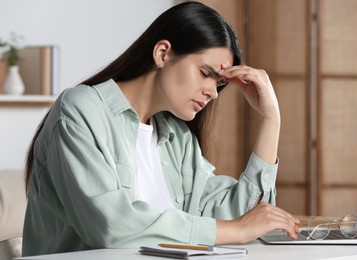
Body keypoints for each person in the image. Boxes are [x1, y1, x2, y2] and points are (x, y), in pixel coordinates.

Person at [22, 1, 300, 256]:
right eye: (206, 74)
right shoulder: (81, 110)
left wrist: (270, 119)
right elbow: (111, 226)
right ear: (163, 53)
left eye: (219, 84)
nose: (213, 93)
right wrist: (236, 230)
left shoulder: (176, 137)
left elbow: (242, 218)